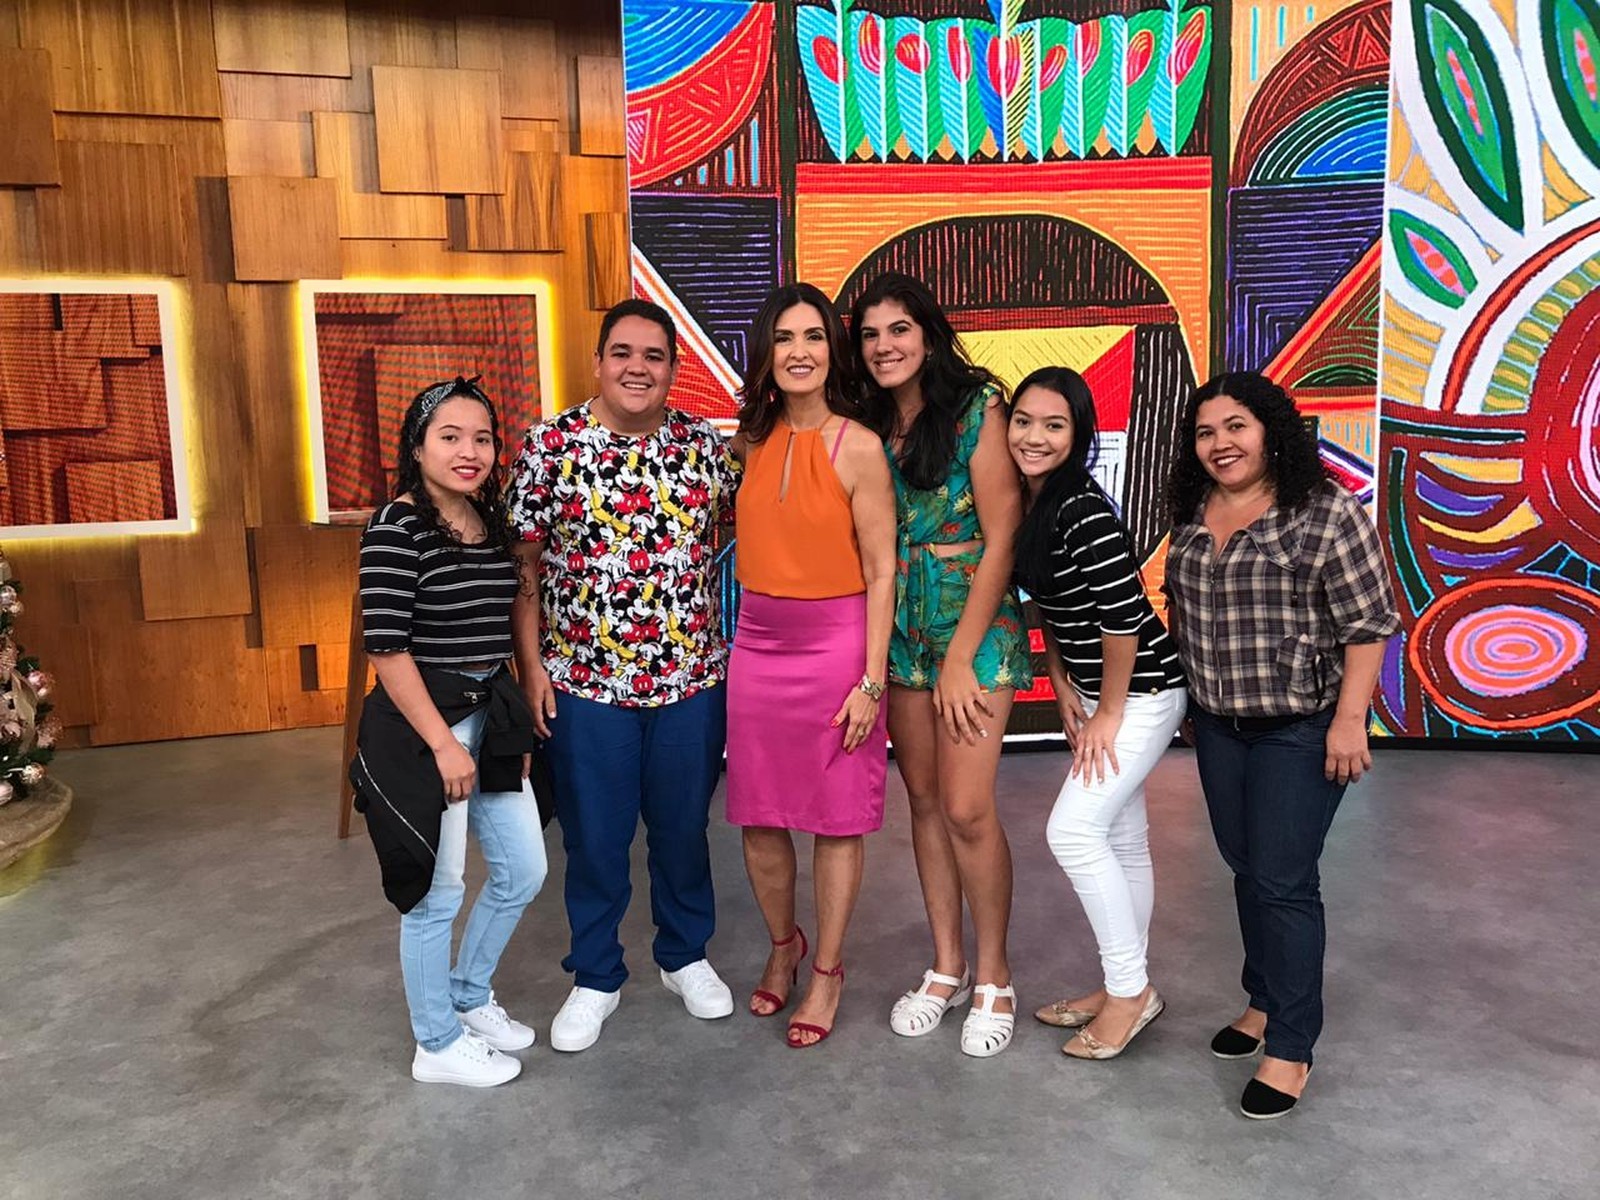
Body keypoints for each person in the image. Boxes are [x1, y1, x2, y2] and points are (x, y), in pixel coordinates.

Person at [1163, 371, 1400, 1118]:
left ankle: (1292, 1048)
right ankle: (1263, 1001)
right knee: (1247, 867)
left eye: (1236, 426)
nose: (1220, 443)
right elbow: (1184, 610)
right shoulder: (1193, 513)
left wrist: (1349, 720)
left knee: (1284, 881)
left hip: (1299, 727)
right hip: (1218, 725)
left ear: (1271, 431)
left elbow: (1368, 623)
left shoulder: (1324, 512)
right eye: (1205, 432)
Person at [507, 299, 742, 1053]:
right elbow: (523, 569)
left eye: (654, 356)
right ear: (599, 361)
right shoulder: (550, 446)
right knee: (596, 839)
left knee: (684, 831)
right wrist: (532, 667)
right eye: (623, 352)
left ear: (673, 368)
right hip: (584, 684)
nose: (637, 368)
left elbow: (752, 525)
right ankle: (596, 974)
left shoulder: (705, 448)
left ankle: (685, 956)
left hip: (691, 680)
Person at [849, 272, 1032, 1057]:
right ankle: (948, 965)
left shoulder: (977, 409)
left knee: (966, 808)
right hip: (899, 632)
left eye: (899, 329)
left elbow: (1004, 534)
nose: (884, 345)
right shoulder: (865, 422)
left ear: (927, 334)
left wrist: (960, 657)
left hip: (972, 630)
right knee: (922, 802)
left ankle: (996, 975)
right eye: (870, 334)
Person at [351, 376, 546, 1088]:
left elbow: (505, 616)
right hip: (425, 727)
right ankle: (435, 1043)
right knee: (437, 895)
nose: (470, 451)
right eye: (451, 436)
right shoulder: (395, 527)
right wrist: (442, 744)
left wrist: (512, 711)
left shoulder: (487, 519)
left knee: (523, 871)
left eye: (483, 438)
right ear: (418, 446)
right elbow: (387, 649)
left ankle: (467, 995)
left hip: (489, 714)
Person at [724, 284, 896, 1049]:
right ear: (767, 352)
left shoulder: (859, 445)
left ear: (834, 350)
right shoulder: (745, 442)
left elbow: (883, 571)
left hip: (837, 647)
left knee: (835, 816)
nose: (800, 351)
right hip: (757, 644)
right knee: (758, 812)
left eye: (815, 336)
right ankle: (782, 945)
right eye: (786, 337)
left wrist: (870, 681)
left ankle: (827, 969)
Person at [1006, 367, 1188, 1060]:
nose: (1035, 436)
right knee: (1122, 839)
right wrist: (1062, 686)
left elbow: (1121, 618)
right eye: (1024, 420)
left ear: (1079, 436)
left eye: (1054, 425)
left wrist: (1108, 711)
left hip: (1143, 692)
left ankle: (1129, 992)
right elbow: (1053, 607)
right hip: (1097, 691)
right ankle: (1125, 988)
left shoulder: (1083, 509)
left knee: (1073, 831)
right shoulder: (1034, 502)